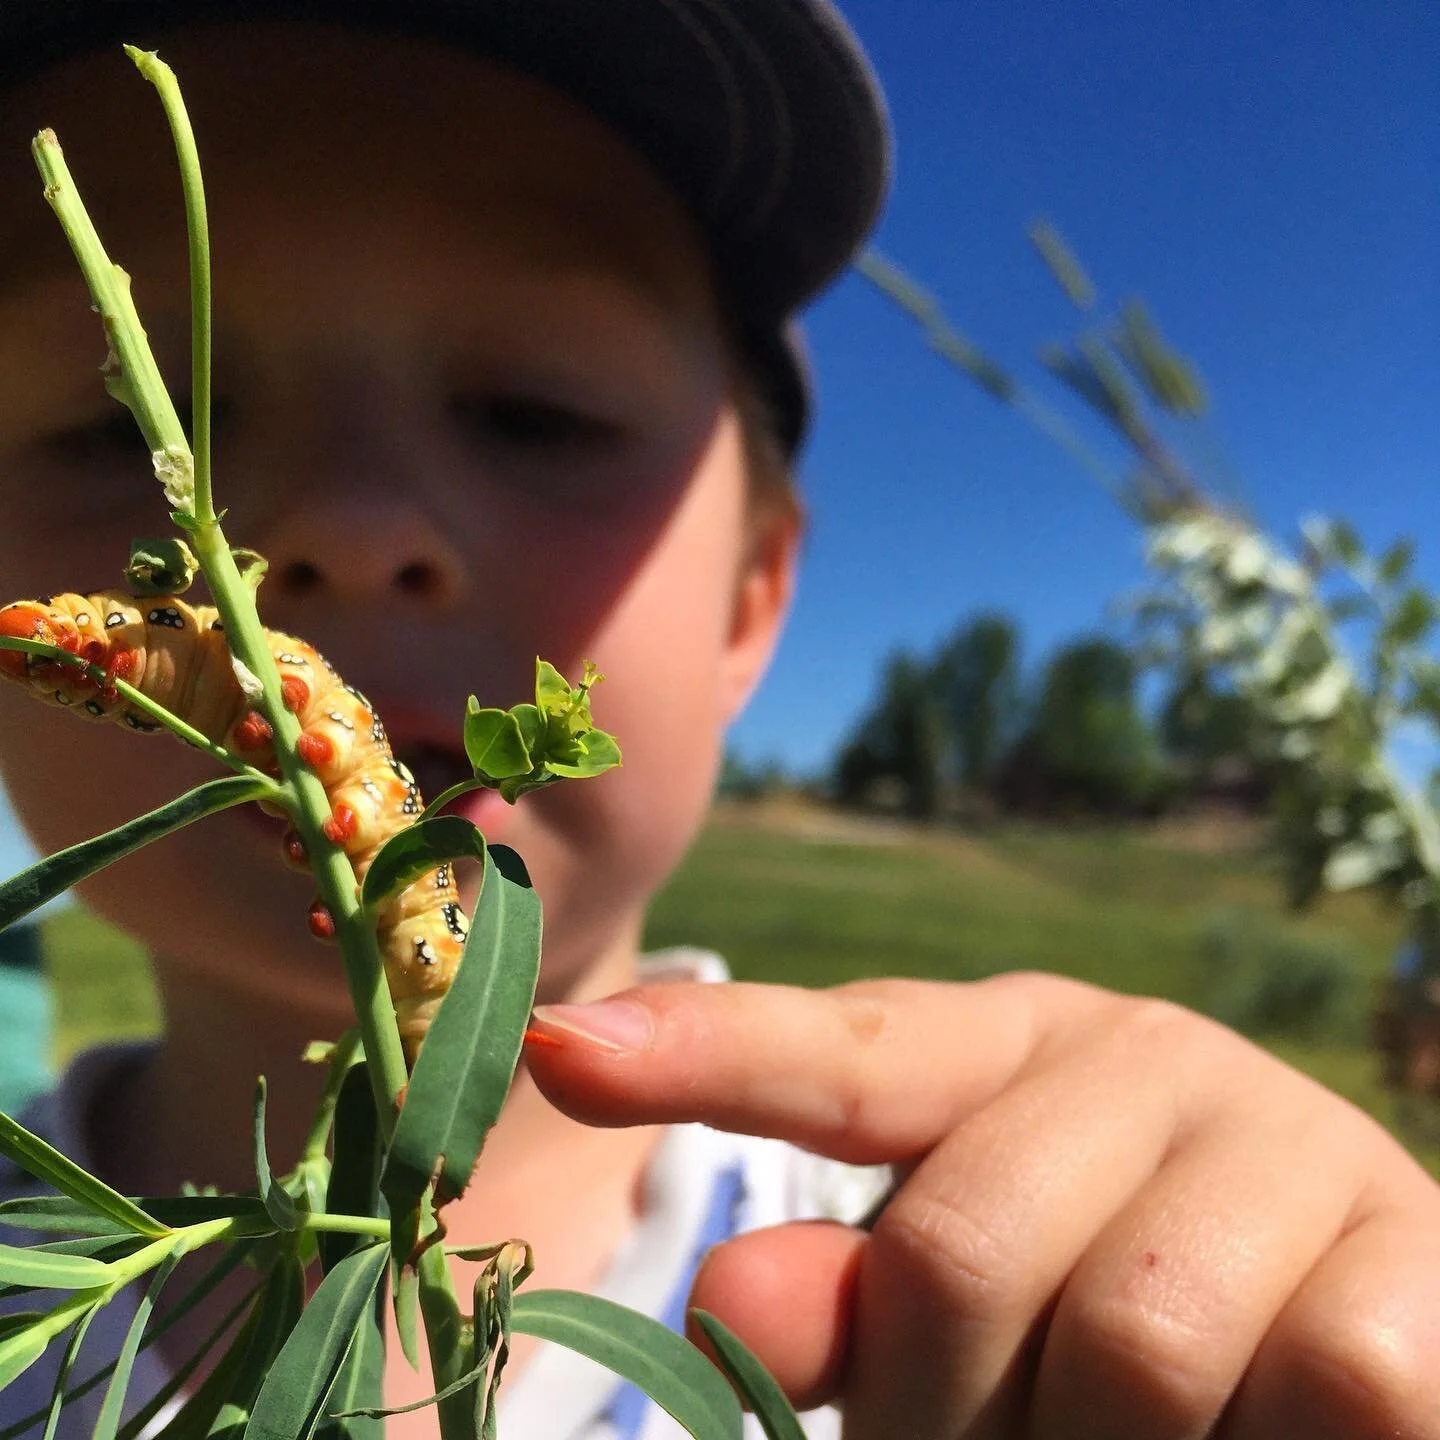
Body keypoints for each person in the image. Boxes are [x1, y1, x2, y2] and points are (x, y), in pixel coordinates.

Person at [0, 4, 1435, 1437]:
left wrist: (1311, 1312)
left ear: (753, 601)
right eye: (118, 428)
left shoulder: (925, 1299)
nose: (351, 529)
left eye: (533, 411)